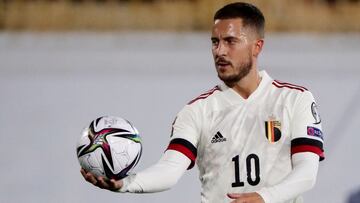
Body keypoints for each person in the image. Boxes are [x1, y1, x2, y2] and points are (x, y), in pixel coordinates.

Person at [81, 2, 325, 203]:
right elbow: (170, 170)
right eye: (214, 42)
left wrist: (264, 197)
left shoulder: (296, 99)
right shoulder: (197, 111)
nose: (220, 52)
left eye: (230, 41)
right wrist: (125, 184)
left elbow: (306, 173)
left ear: (256, 47)